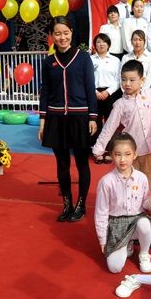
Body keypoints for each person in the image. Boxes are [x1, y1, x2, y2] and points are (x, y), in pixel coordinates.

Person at [38, 17, 97, 222]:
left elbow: (90, 88)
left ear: (71, 32)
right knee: (62, 164)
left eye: (65, 33)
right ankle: (67, 204)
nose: (62, 37)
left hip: (80, 116)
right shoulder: (49, 61)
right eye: (57, 33)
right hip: (55, 118)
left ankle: (81, 205)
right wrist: (43, 120)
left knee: (82, 163)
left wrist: (92, 117)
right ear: (52, 36)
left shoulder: (83, 58)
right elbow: (45, 91)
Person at [92, 59, 151, 191]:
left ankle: (150, 202)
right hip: (131, 152)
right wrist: (99, 147)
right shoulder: (120, 104)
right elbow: (109, 128)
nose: (127, 84)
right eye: (124, 79)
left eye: (132, 80)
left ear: (142, 80)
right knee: (131, 184)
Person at [94, 133, 151, 274]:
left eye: (127, 154)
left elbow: (145, 203)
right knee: (114, 268)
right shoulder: (106, 182)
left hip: (137, 220)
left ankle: (144, 253)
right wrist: (102, 239)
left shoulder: (141, 178)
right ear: (111, 155)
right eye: (117, 154)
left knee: (144, 223)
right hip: (116, 224)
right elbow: (101, 213)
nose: (122, 159)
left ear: (135, 155)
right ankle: (127, 241)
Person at [91, 33, 121, 131]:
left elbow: (118, 79)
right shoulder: (90, 59)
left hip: (110, 94)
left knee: (111, 123)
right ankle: (95, 140)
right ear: (95, 45)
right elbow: (86, 79)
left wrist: (107, 92)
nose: (101, 44)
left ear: (108, 44)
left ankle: (110, 140)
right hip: (94, 94)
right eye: (98, 42)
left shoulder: (115, 60)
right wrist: (95, 92)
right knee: (95, 122)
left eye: (104, 42)